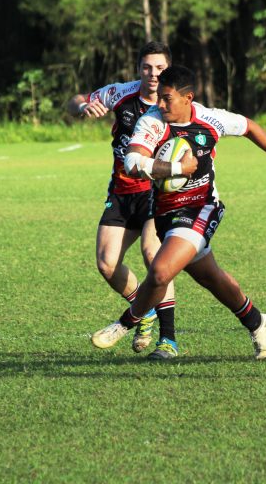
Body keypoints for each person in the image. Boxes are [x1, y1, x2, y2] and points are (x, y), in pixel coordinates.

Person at [90, 65, 266, 360]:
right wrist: (178, 169)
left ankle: (126, 323)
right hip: (165, 212)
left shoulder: (211, 119)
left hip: (202, 207)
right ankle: (257, 321)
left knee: (160, 270)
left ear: (188, 98)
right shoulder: (152, 122)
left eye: (167, 99)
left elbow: (250, 126)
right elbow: (133, 161)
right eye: (159, 99)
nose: (159, 105)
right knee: (211, 277)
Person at [66, 41, 176, 354]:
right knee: (106, 263)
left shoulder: (175, 103)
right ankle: (145, 310)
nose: (153, 74)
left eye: (160, 68)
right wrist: (83, 108)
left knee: (154, 256)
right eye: (147, 67)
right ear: (138, 68)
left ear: (167, 69)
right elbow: (74, 101)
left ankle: (168, 340)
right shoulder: (121, 92)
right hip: (122, 191)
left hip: (157, 194)